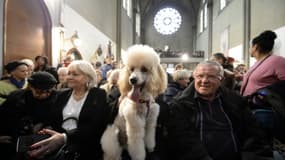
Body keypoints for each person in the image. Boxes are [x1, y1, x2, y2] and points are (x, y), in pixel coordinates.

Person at [166, 61, 272, 160]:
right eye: (200, 76)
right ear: (194, 77)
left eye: (211, 76)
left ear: (220, 79)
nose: (204, 81)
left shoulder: (236, 101)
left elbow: (253, 134)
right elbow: (184, 141)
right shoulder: (180, 105)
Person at [28, 60, 110, 160]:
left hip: (86, 148)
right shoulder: (62, 94)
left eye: (75, 74)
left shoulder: (99, 94)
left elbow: (96, 124)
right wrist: (47, 131)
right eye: (69, 74)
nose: (69, 77)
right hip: (60, 148)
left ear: (88, 77)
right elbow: (54, 119)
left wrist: (64, 137)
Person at [0, 71, 58, 160]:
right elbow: (3, 117)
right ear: (30, 87)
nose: (44, 95)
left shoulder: (58, 98)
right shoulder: (17, 97)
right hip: (14, 141)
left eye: (48, 92)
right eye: (39, 92)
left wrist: (44, 124)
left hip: (44, 143)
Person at [240, 30, 285, 97]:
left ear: (255, 47)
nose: (249, 49)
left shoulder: (277, 61)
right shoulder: (258, 63)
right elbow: (259, 80)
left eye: (250, 46)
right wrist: (241, 77)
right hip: (247, 103)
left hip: (261, 105)